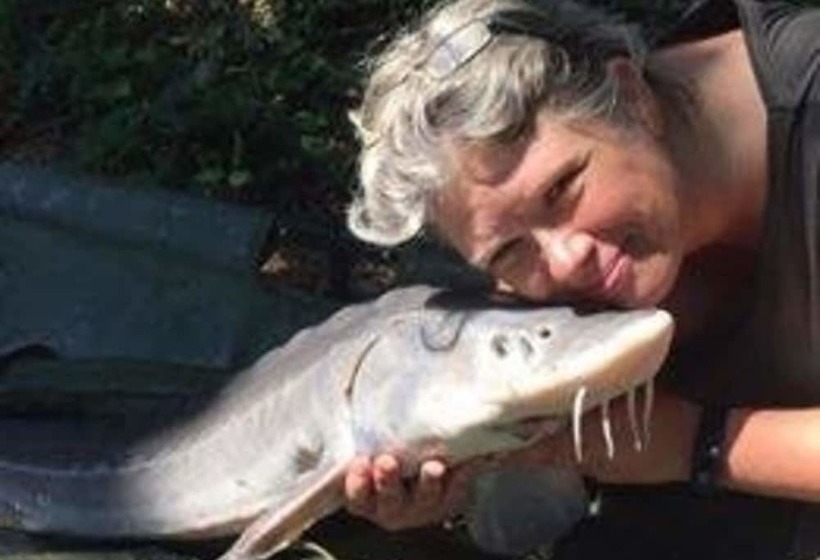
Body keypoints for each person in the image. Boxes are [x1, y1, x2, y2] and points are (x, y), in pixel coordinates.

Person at [342, 0, 820, 557]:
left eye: (562, 190)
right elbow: (522, 510)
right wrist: (458, 473)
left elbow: (669, 446)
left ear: (633, 96)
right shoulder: (567, 259)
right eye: (509, 249)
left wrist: (695, 443)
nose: (566, 261)